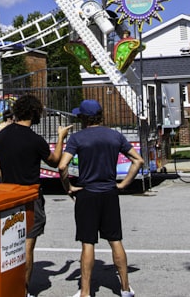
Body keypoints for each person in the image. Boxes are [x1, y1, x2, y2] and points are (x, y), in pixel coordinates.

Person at [58, 99, 144, 297]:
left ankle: (86, 292)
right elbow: (138, 160)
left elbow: (62, 166)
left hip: (87, 193)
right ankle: (124, 288)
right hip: (109, 193)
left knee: (88, 242)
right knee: (115, 240)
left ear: (83, 118)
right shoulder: (115, 136)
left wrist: (69, 187)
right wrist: (123, 184)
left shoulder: (77, 138)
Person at [0, 95, 72, 297]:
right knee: (27, 245)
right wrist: (61, 136)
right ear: (34, 113)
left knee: (9, 246)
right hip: (30, 196)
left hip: (7, 196)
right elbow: (55, 161)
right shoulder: (35, 139)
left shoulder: (2, 135)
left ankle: (7, 287)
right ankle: (23, 291)